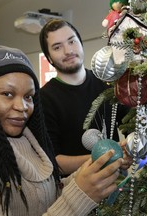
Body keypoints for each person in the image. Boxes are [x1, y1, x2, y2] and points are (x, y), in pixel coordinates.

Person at [0, 45, 125, 216]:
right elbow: (68, 203)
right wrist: (81, 194)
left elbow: (48, 197)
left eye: (28, 96)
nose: (22, 106)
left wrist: (92, 170)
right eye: (8, 94)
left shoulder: (33, 146)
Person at [39, 19, 130, 175]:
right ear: (49, 57)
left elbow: (131, 124)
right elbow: (54, 161)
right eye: (57, 47)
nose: (68, 51)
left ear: (81, 43)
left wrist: (130, 149)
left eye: (72, 41)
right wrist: (106, 158)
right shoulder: (43, 99)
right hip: (75, 192)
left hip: (118, 184)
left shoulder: (108, 84)